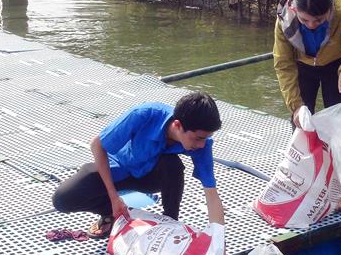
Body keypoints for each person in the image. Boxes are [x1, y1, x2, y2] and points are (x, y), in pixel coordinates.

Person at [52, 91, 222, 237]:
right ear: (178, 125)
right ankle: (112, 213)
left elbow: (212, 195)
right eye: (198, 138)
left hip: (149, 177)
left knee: (172, 165)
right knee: (63, 199)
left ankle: (170, 223)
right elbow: (97, 144)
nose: (201, 145)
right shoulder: (145, 114)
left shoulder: (202, 145)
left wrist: (220, 250)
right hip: (118, 168)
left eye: (205, 138)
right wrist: (114, 197)